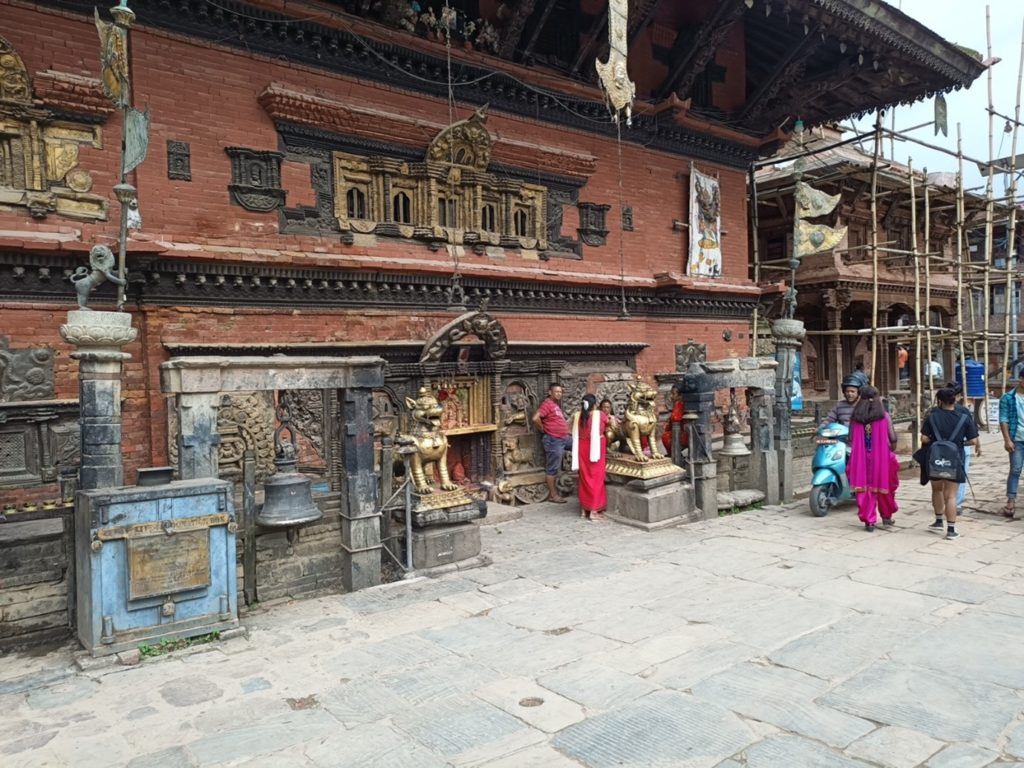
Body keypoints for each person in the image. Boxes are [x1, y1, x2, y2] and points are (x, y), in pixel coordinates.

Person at [922, 386, 979, 540]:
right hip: (955, 459)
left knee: (937, 490)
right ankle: (951, 530)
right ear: (955, 400)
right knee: (951, 496)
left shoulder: (931, 416)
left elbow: (924, 438)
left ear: (939, 401)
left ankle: (938, 521)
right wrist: (958, 444)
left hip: (935, 459)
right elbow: (973, 440)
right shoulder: (964, 418)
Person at [847, 385, 898, 531]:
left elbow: (850, 438)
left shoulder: (855, 417)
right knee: (884, 487)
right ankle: (886, 517)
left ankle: (869, 521)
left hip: (861, 458)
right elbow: (893, 438)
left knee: (865, 488)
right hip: (881, 457)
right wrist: (890, 449)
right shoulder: (884, 416)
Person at [532, 383, 572, 503]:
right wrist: (542, 429)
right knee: (552, 468)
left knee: (581, 446)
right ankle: (553, 495)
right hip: (554, 440)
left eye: (560, 392)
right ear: (550, 392)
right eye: (556, 391)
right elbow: (535, 418)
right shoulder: (548, 404)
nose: (559, 394)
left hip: (564, 438)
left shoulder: (555, 405)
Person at [944, 382, 980, 514]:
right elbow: (973, 434)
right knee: (960, 477)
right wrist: (978, 445)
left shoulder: (936, 411)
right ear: (958, 396)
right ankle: (956, 504)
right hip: (961, 447)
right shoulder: (964, 411)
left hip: (942, 447)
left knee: (942, 474)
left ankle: (944, 501)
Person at [572, 394, 609, 521]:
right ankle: (593, 511)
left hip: (582, 448)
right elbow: (608, 425)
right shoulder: (600, 415)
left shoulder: (578, 416)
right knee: (596, 479)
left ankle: (584, 510)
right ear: (594, 404)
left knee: (584, 478)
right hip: (595, 449)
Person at [998, 376, 1024, 519]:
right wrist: (1007, 440)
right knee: (1015, 470)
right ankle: (1011, 501)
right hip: (1017, 439)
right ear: (1021, 379)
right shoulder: (1007, 398)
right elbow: (1003, 419)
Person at [661, 383, 689, 455]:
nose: (671, 396)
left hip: (684, 433)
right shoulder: (680, 403)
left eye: (673, 394)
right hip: (683, 432)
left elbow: (675, 418)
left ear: (680, 396)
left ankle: (675, 454)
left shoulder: (679, 404)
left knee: (666, 436)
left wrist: (670, 419)